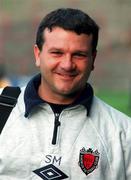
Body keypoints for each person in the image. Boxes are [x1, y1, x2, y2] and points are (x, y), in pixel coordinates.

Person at [0, 8, 131, 180]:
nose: (67, 64)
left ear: (93, 59)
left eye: (79, 55)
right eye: (57, 53)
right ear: (38, 54)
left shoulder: (123, 132)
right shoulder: (3, 109)